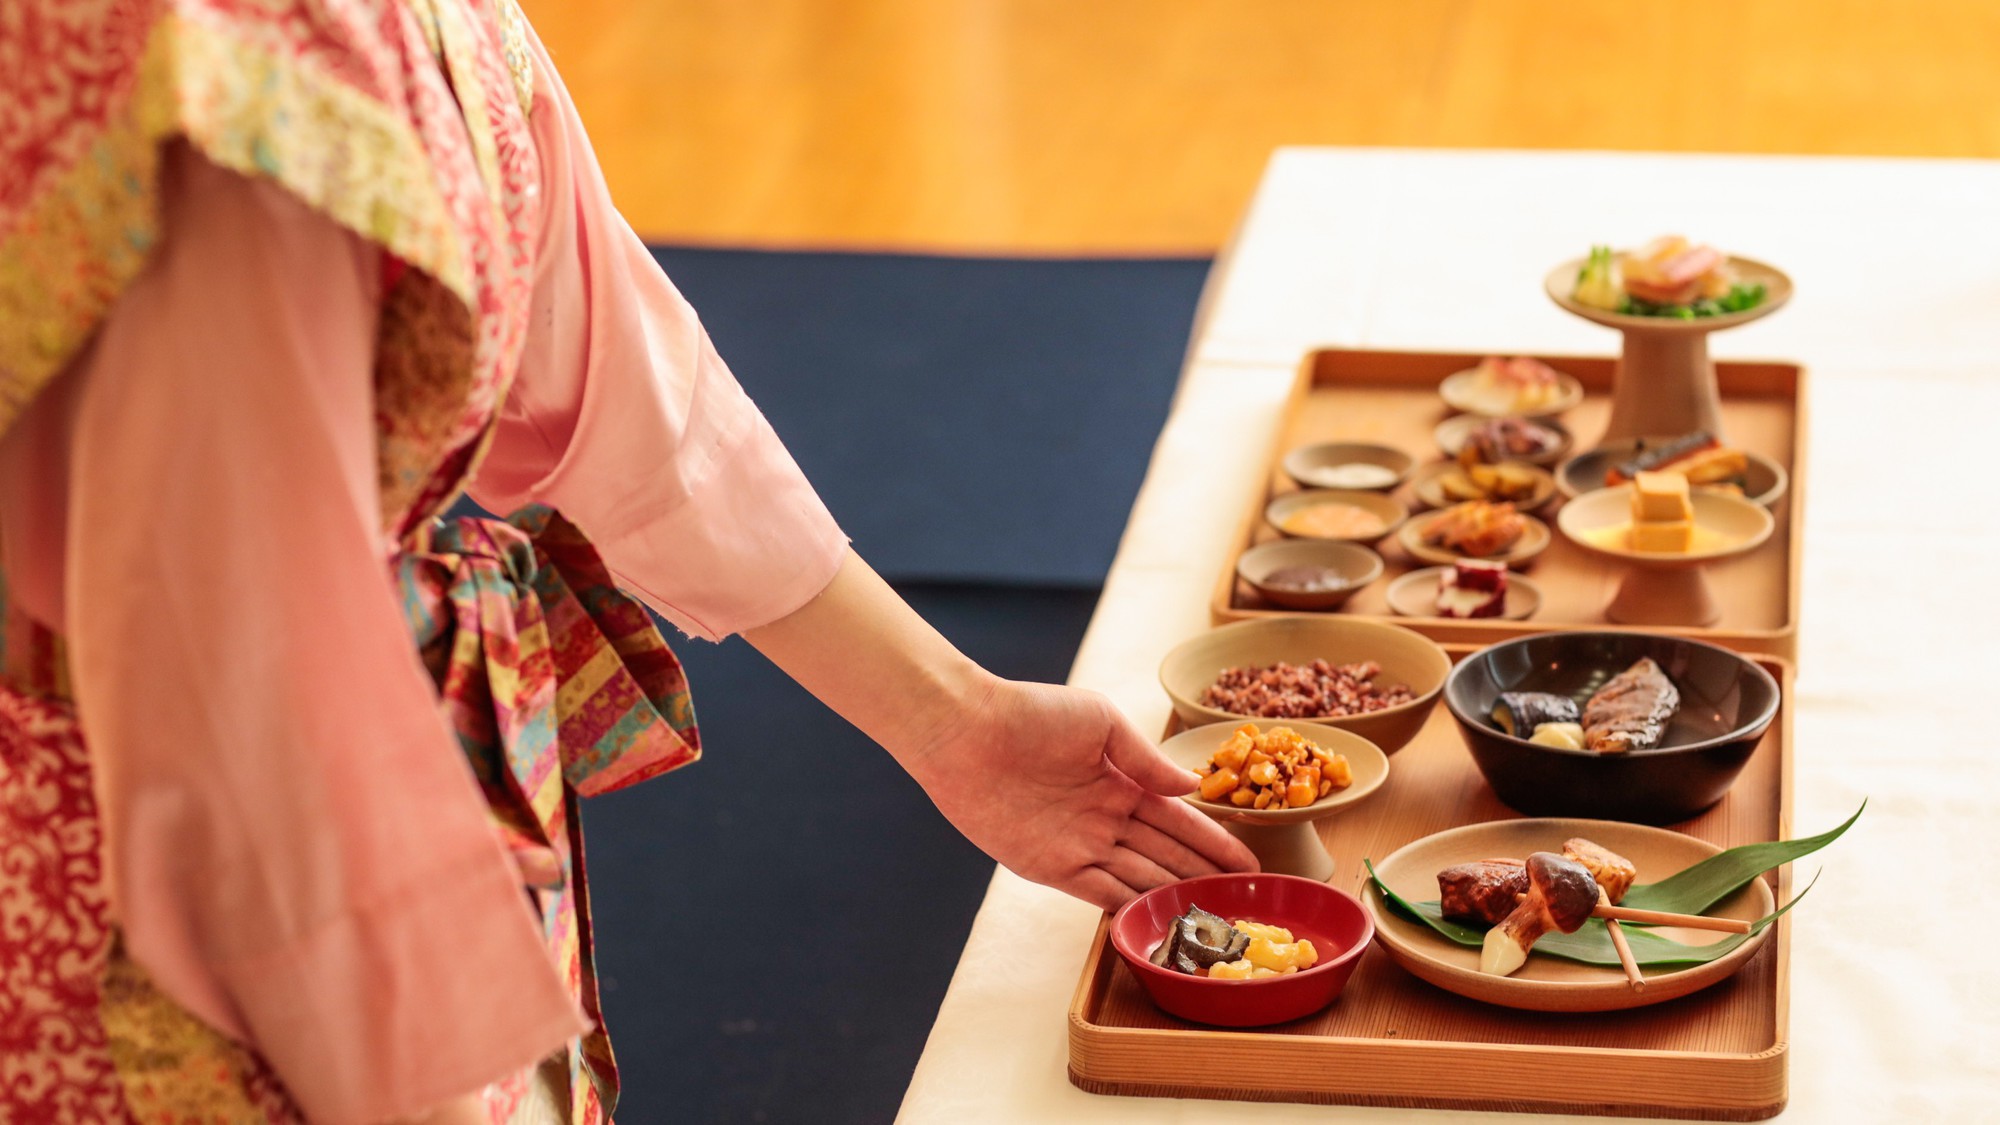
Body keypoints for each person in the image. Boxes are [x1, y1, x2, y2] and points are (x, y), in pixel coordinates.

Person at [0, 1, 1255, 1122]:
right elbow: (251, 725)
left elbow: (604, 369)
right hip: (153, 892)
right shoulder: (222, 63)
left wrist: (953, 719)